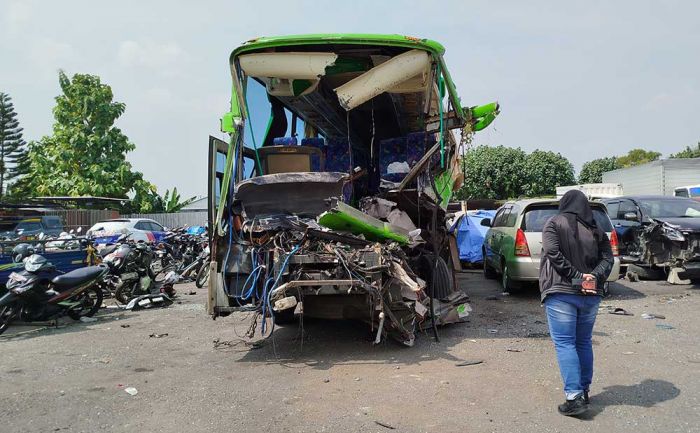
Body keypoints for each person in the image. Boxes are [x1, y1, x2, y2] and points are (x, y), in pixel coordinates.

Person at [539, 189, 614, 416]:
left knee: (565, 343)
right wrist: (593, 277)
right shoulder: (596, 229)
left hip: (562, 292)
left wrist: (577, 277)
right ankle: (585, 390)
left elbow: (554, 254)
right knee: (583, 342)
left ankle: (574, 397)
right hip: (591, 295)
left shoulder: (553, 223)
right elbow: (608, 259)